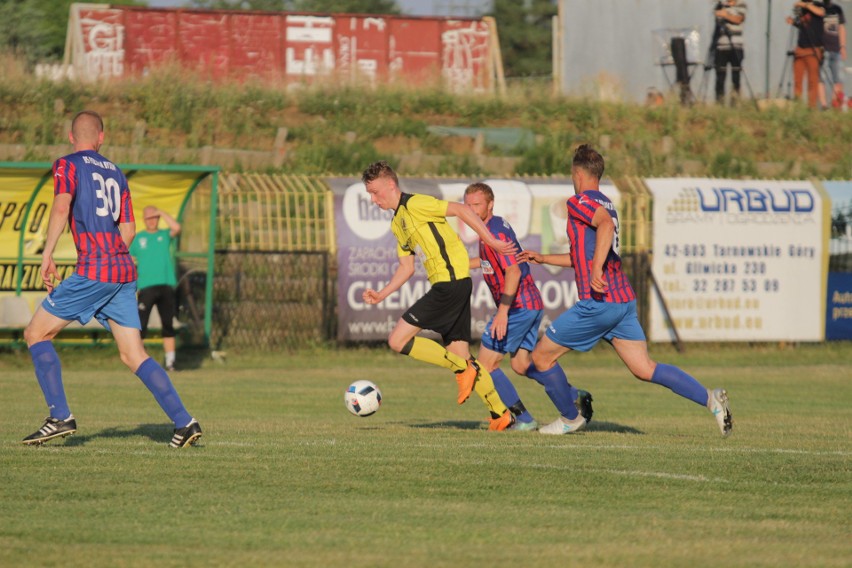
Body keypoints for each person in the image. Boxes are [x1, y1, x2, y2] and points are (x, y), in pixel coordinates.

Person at [518, 145, 733, 437]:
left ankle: (571, 417)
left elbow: (603, 231)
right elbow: (588, 253)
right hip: (622, 302)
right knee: (645, 368)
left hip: (598, 303)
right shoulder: (607, 203)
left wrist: (595, 272)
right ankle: (711, 399)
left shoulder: (578, 201)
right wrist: (544, 258)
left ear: (577, 174)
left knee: (541, 358)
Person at [20, 110, 202, 449]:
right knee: (133, 354)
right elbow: (128, 228)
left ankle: (59, 416)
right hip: (123, 269)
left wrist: (47, 254)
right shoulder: (117, 173)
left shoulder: (67, 164)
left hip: (95, 268)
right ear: (101, 137)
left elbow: (61, 207)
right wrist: (113, 256)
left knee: (36, 333)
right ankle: (185, 422)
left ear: (72, 137)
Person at [360, 161, 516, 431]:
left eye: (375, 192)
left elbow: (460, 209)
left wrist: (490, 241)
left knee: (398, 340)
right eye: (370, 195)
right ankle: (501, 414)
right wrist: (381, 294)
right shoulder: (398, 223)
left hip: (451, 283)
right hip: (451, 284)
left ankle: (461, 369)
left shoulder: (416, 204)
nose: (374, 200)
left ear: (390, 185)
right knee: (463, 355)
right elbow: (406, 267)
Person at [463, 182, 593, 432]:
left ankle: (523, 420)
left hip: (518, 306)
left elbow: (512, 270)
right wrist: (455, 265)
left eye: (476, 204)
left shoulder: (495, 232)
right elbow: (490, 260)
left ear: (490, 204)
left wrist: (502, 311)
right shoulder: (491, 228)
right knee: (521, 365)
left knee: (486, 365)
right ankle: (574, 395)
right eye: (467, 205)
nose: (470, 209)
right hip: (529, 303)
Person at [129, 205, 181, 371]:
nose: (152, 221)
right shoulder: (138, 238)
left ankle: (171, 362)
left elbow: (176, 228)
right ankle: (140, 362)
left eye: (155, 217)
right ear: (144, 220)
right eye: (149, 218)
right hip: (146, 287)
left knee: (168, 324)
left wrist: (162, 212)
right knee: (141, 325)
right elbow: (128, 258)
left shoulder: (164, 235)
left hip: (165, 285)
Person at [787, 1, 827, 109]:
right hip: (800, 49)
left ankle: (811, 107)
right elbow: (803, 25)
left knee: (812, 81)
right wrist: (793, 22)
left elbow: (820, 13)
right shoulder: (803, 10)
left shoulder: (819, 5)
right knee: (797, 80)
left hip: (813, 49)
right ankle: (798, 106)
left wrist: (804, 5)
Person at [713, 0, 747, 105]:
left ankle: (735, 102)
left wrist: (726, 14)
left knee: (735, 76)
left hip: (736, 46)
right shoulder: (720, 5)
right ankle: (720, 102)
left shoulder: (741, 4)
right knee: (720, 76)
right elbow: (717, 18)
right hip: (721, 46)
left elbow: (739, 19)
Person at [818, 0, 846, 109]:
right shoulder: (818, 8)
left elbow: (842, 28)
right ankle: (824, 105)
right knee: (821, 78)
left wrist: (843, 46)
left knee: (838, 79)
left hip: (836, 49)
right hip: (823, 49)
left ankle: (835, 104)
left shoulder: (837, 9)